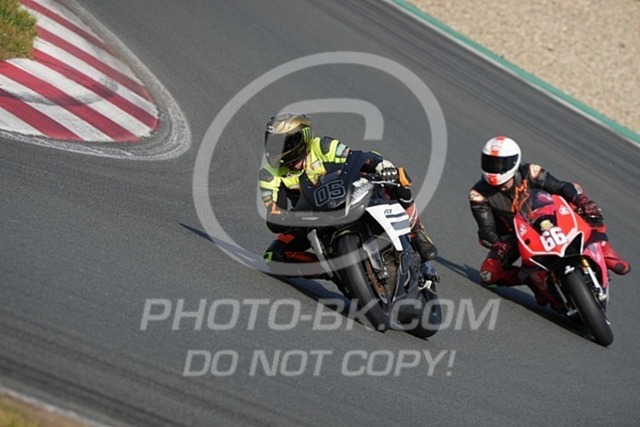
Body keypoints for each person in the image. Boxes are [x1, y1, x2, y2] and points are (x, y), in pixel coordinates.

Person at [258, 112, 438, 277]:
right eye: (271, 144)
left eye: (281, 144)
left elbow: (355, 158)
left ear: (300, 140)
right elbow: (274, 213)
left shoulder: (322, 146)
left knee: (394, 176)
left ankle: (415, 230)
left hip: (350, 195)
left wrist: (378, 165)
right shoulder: (269, 174)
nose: (274, 150)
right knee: (273, 257)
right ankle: (333, 270)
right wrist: (278, 217)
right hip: (312, 218)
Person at [469, 135, 630, 307]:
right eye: (489, 162)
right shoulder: (478, 194)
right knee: (488, 275)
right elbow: (485, 229)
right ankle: (534, 281)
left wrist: (582, 201)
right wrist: (497, 244)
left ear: (513, 162)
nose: (493, 168)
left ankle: (606, 252)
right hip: (514, 237)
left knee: (581, 199)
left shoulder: (531, 172)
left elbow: (560, 186)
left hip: (547, 216)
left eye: (499, 164)